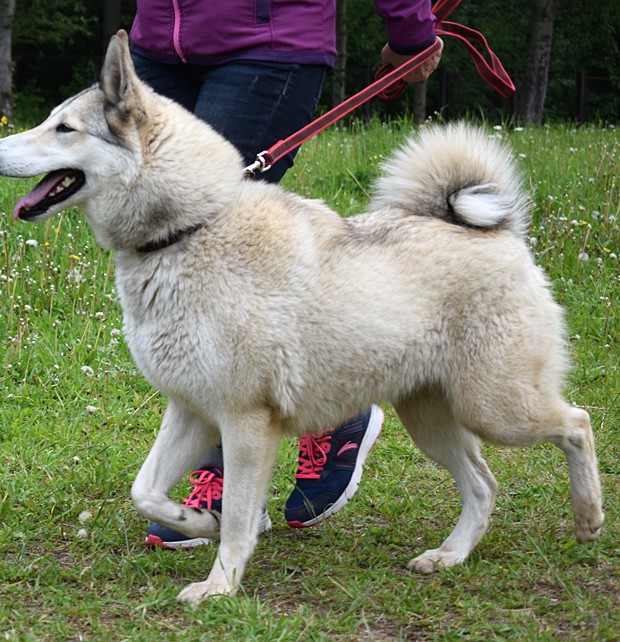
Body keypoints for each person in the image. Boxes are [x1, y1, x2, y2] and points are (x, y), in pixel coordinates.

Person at [128, 0, 442, 548]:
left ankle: (258, 463)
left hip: (266, 40)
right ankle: (330, 402)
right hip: (156, 44)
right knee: (168, 249)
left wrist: (409, 29)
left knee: (221, 252)